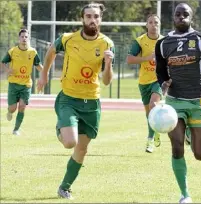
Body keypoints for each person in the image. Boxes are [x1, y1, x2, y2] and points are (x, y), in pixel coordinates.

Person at [37, 3, 114, 199]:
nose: (92, 20)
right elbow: (51, 52)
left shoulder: (107, 44)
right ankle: (61, 127)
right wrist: (44, 75)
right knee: (70, 142)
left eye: (96, 16)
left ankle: (65, 187)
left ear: (100, 19)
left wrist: (109, 63)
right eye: (88, 16)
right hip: (69, 99)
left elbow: (106, 81)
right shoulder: (67, 39)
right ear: (82, 19)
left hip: (92, 103)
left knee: (82, 149)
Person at [154, 3, 201, 203]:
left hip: (199, 102)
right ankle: (185, 194)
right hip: (174, 102)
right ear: (173, 18)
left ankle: (191, 136)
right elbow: (160, 70)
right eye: (178, 14)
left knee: (200, 155)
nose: (181, 17)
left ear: (191, 18)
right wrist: (163, 82)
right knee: (177, 147)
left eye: (186, 14)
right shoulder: (163, 43)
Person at [126, 14, 163, 153]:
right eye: (151, 22)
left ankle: (150, 140)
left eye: (156, 23)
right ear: (146, 25)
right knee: (149, 114)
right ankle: (156, 130)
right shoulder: (140, 41)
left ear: (160, 25)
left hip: (159, 80)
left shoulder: (165, 41)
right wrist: (148, 58)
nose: (154, 25)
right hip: (144, 82)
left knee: (154, 105)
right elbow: (129, 59)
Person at [1, 29, 43, 136]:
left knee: (22, 106)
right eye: (22, 37)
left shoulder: (33, 52)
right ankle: (10, 112)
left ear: (28, 38)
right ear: (19, 38)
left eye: (26, 37)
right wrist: (7, 70)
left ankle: (16, 129)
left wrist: (45, 73)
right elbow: (2, 63)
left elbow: (38, 65)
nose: (24, 39)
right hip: (14, 84)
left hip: (26, 85)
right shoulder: (13, 51)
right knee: (13, 108)